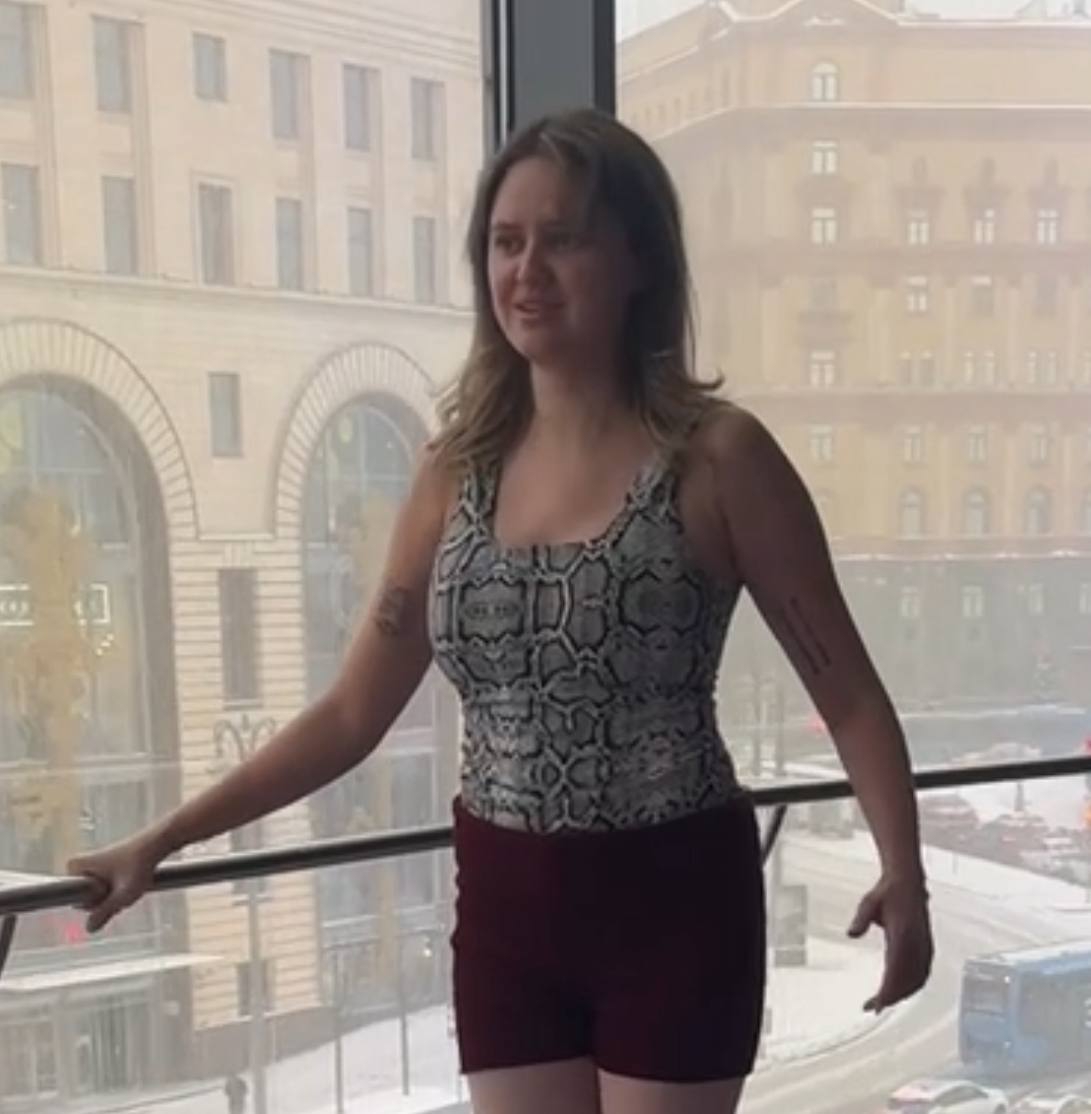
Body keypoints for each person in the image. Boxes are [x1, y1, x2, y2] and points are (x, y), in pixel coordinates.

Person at [68, 108, 933, 1114]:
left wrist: (902, 869)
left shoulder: (719, 459)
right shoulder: (454, 469)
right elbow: (351, 714)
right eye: (504, 242)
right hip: (507, 915)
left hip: (675, 902)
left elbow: (847, 695)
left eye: (562, 239)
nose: (527, 271)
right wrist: (161, 840)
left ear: (638, 260)